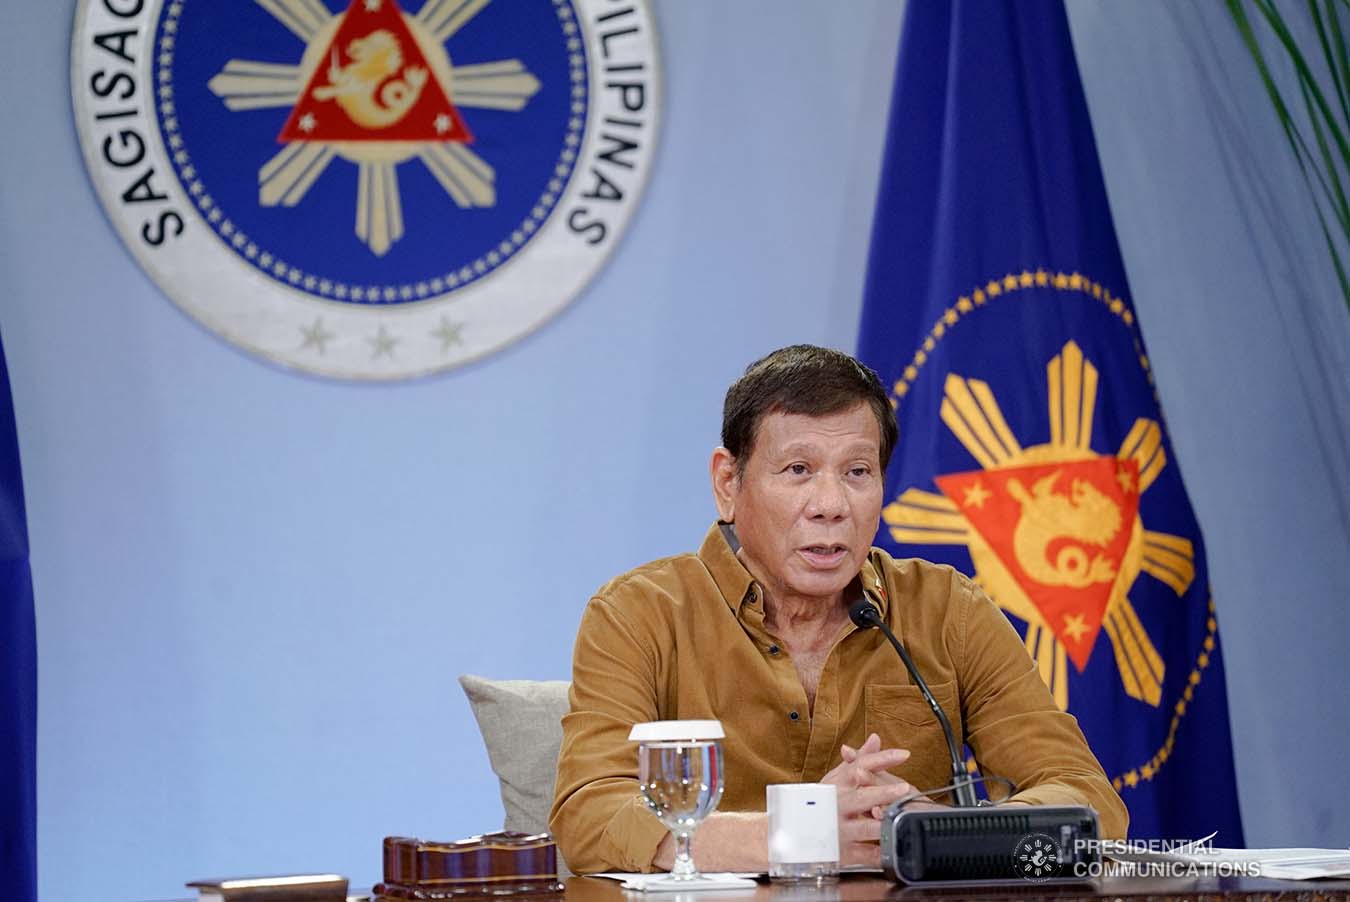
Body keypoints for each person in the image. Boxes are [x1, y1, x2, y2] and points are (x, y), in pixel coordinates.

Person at [549, 345, 1127, 874]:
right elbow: (590, 817)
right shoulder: (640, 615)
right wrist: (797, 834)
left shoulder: (949, 610)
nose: (830, 505)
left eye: (857, 472)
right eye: (798, 470)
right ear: (729, 483)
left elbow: (1085, 796)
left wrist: (933, 833)